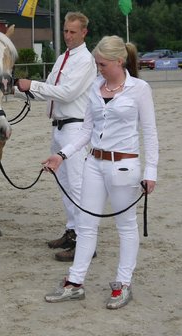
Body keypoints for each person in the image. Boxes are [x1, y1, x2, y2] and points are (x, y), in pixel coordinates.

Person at [42, 35, 158, 309]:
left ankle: (123, 284)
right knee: (85, 224)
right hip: (93, 162)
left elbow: (150, 133)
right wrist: (61, 155)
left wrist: (150, 171)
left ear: (119, 61)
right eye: (97, 64)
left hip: (124, 166)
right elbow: (86, 131)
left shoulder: (139, 89)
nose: (98, 69)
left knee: (126, 226)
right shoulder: (96, 87)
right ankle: (75, 282)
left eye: (102, 64)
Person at [14, 12, 97, 261]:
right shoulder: (62, 58)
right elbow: (47, 93)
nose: (68, 36)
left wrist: (33, 85)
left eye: (73, 31)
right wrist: (16, 89)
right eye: (65, 31)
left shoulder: (86, 60)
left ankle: (86, 242)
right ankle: (72, 231)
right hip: (59, 126)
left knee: (78, 185)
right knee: (64, 184)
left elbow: (67, 92)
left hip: (76, 127)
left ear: (84, 33)